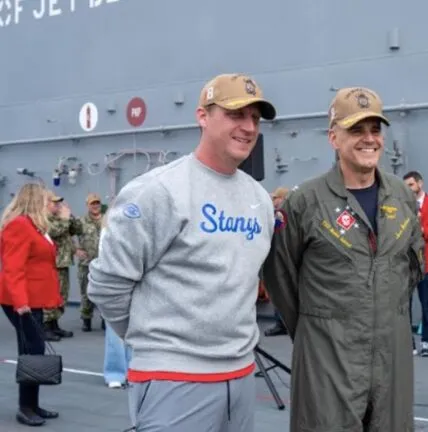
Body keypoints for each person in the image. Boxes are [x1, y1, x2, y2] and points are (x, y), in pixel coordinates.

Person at [87, 72, 277, 432]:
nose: (249, 126)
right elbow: (108, 284)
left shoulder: (259, 200)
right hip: (172, 378)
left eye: (254, 117)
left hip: (239, 375)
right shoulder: (157, 192)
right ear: (202, 116)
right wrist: (158, 338)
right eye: (236, 114)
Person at [263, 86, 425, 432]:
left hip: (391, 355)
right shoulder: (305, 201)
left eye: (375, 129)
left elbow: (411, 269)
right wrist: (319, 328)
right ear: (333, 137)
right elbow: (280, 277)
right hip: (328, 357)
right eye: (356, 130)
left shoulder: (402, 197)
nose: (369, 139)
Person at [0, 183, 62, 427]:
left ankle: (32, 404)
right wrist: (21, 303)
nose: (51, 205)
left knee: (33, 352)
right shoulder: (20, 226)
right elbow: (13, 267)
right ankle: (25, 407)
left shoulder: (34, 227)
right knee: (31, 353)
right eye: (48, 201)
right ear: (36, 201)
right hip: (22, 301)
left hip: (32, 298)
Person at [403, 170, 428, 357]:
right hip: (407, 263)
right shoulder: (402, 205)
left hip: (427, 262)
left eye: (410, 185)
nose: (408, 189)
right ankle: (409, 343)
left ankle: (426, 341)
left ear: (419, 183)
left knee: (427, 303)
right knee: (405, 305)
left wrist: (421, 230)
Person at [43, 194, 83, 341]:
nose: (58, 205)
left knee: (61, 295)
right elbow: (54, 231)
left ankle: (54, 325)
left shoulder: (62, 218)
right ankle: (45, 326)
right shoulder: (43, 219)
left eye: (59, 203)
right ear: (46, 204)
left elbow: (77, 229)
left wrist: (70, 215)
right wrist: (64, 218)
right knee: (50, 295)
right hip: (51, 263)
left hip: (63, 262)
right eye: (55, 203)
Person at [263, 186, 290, 337]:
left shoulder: (280, 215)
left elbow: (277, 230)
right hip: (281, 258)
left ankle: (281, 323)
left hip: (280, 260)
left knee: (279, 292)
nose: (273, 201)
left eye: (275, 198)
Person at [75, 192, 104, 332]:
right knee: (86, 292)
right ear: (87, 205)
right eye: (92, 203)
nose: (95, 206)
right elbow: (65, 236)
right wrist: (75, 250)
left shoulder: (107, 220)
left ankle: (106, 320)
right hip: (86, 263)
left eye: (97, 203)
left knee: (105, 292)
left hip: (105, 264)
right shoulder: (80, 221)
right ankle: (86, 320)